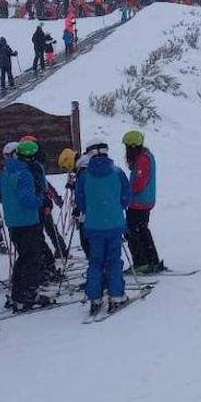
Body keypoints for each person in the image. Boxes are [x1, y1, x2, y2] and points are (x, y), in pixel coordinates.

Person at [75, 136, 132, 320]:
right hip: (114, 223)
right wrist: (115, 208)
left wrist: (94, 210)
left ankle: (95, 298)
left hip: (93, 225)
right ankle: (116, 295)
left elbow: (81, 202)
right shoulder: (117, 172)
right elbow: (126, 197)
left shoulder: (84, 176)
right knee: (114, 260)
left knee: (96, 261)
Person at [0, 141, 53, 311]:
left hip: (13, 222)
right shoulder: (24, 174)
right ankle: (28, 293)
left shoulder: (6, 172)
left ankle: (18, 293)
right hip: (27, 221)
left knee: (24, 257)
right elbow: (27, 200)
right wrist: (41, 201)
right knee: (32, 258)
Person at [123, 130, 163, 273]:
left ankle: (141, 262)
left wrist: (125, 192)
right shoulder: (145, 156)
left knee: (133, 231)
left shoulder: (142, 160)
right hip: (143, 201)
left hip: (139, 202)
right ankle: (152, 260)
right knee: (142, 230)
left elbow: (139, 184)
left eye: (127, 147)